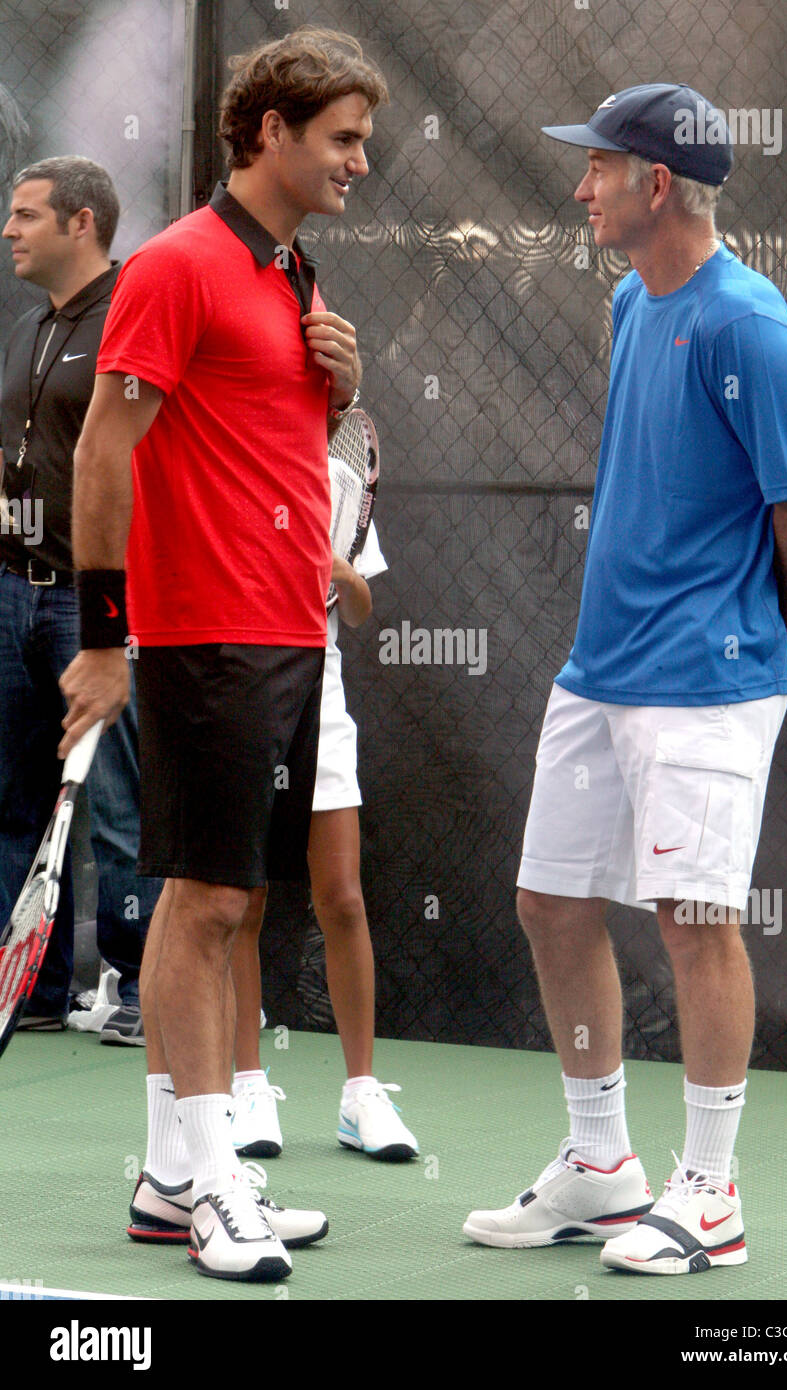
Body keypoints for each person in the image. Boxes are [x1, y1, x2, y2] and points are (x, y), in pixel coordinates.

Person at [464, 83, 787, 1274]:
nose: (579, 188)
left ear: (653, 184)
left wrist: (778, 628)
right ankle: (601, 1165)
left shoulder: (751, 327)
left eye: (596, 169)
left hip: (705, 679)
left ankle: (710, 1192)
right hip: (600, 669)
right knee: (552, 904)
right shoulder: (633, 299)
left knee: (692, 923)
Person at [58, 28, 389, 1283]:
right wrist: (101, 643)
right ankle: (211, 1190)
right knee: (199, 907)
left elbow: (265, 446)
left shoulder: (293, 274)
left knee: (228, 899)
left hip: (286, 629)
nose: (361, 160)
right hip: (205, 638)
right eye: (343, 138)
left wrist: (339, 390)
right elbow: (104, 449)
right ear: (268, 131)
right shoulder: (179, 267)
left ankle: (167, 1179)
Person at [0, 156, 158, 1042]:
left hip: (95, 606)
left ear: (82, 223)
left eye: (26, 216)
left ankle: (136, 988)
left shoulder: (136, 318)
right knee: (15, 799)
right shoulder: (27, 329)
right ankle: (38, 989)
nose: (10, 231)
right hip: (10, 593)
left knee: (117, 803)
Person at [230, 520, 419, 1162]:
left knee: (342, 900)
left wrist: (344, 574)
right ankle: (246, 1083)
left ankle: (361, 1093)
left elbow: (360, 609)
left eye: (339, 406)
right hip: (242, 683)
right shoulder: (248, 459)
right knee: (242, 901)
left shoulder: (338, 474)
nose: (334, 410)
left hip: (322, 689)